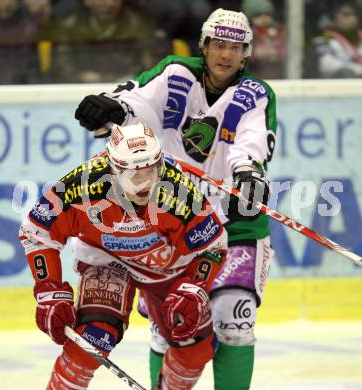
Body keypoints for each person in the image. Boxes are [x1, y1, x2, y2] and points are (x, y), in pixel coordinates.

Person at [74, 8, 277, 390]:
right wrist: (114, 110)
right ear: (204, 45)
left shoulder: (255, 94)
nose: (226, 54)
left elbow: (249, 145)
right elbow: (139, 103)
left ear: (246, 53)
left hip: (234, 225)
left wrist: (247, 176)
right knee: (169, 325)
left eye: (235, 47)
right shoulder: (176, 72)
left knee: (233, 321)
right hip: (173, 225)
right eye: (218, 44)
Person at [19, 122, 227, 389]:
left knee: (196, 348)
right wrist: (48, 290)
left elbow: (212, 245)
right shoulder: (82, 185)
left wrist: (194, 288)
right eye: (133, 175)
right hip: (107, 260)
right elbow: (37, 231)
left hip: (168, 269)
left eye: (151, 171)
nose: (145, 184)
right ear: (113, 169)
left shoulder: (179, 192)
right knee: (91, 338)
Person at [313, 0, 362, 78]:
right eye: (346, 15)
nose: (353, 19)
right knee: (345, 74)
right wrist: (358, 69)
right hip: (336, 83)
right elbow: (327, 65)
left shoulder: (359, 36)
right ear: (333, 16)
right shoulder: (324, 37)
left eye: (355, 15)